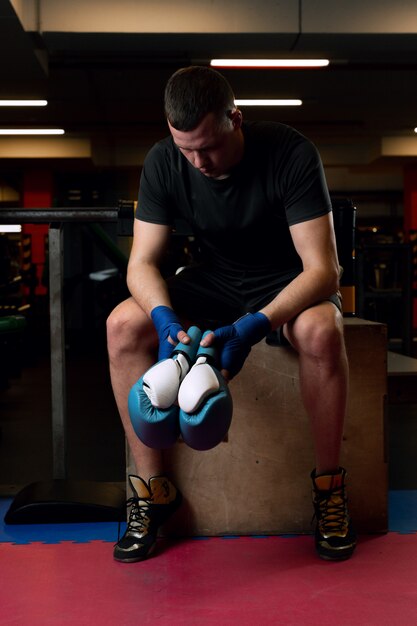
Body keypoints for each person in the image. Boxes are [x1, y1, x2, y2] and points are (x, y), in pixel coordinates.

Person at [107, 65, 357, 563]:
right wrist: (163, 319)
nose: (198, 161)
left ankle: (329, 490)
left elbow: (324, 270)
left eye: (208, 146)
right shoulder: (164, 161)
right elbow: (142, 263)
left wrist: (256, 324)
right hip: (214, 279)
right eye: (186, 148)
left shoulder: (290, 152)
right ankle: (153, 491)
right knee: (123, 324)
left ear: (235, 119)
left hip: (287, 282)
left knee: (322, 328)